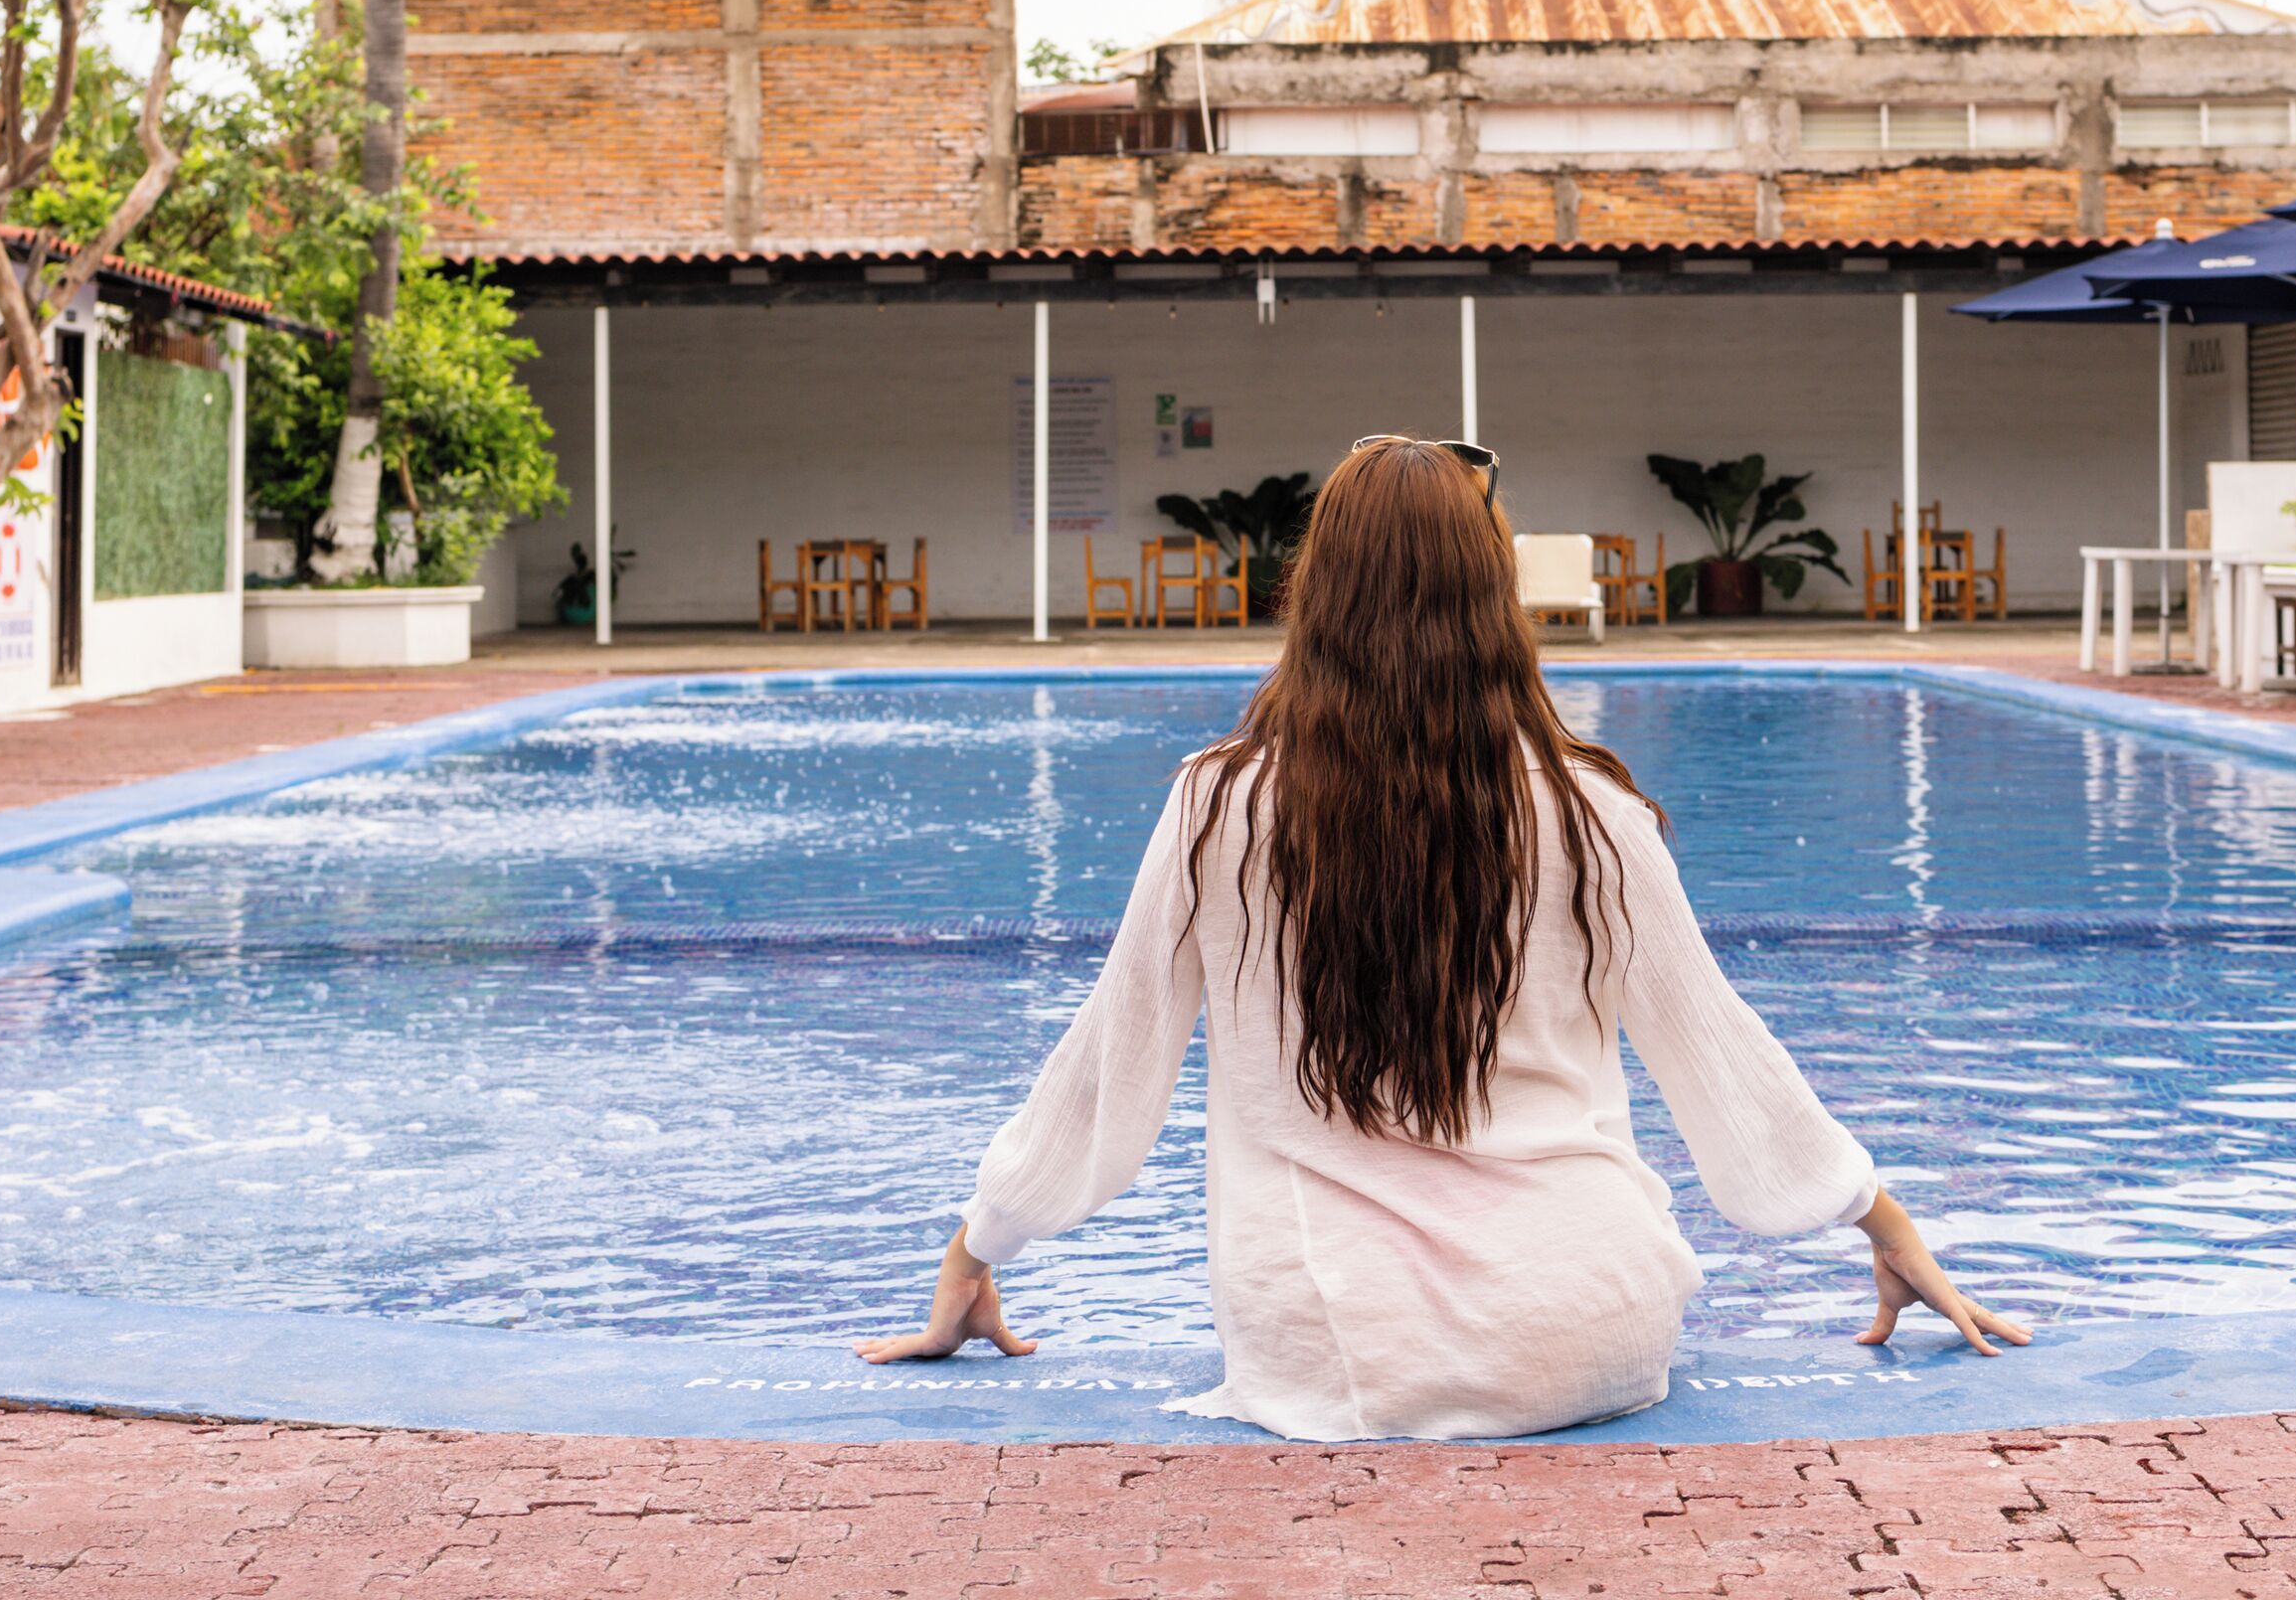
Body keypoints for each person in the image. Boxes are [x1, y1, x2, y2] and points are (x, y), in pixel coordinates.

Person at [860, 432, 2029, 1439]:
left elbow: (1112, 1064)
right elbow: (1717, 1053)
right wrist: (1881, 1219)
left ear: (1316, 590)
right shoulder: (1593, 811)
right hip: (1587, 1323)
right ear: (1495, 594)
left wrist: (979, 1247)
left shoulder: (1221, 805)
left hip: (1328, 1343)